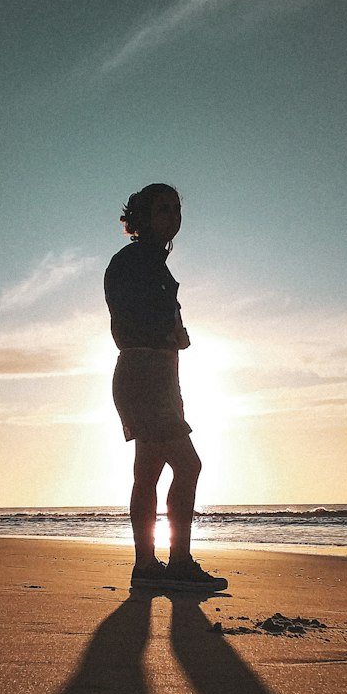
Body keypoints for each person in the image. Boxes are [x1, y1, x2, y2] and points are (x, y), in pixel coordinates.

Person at [105, 183, 227, 592]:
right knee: (188, 466)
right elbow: (127, 319)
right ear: (142, 216)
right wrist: (170, 333)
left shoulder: (156, 265)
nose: (173, 216)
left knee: (148, 472)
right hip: (143, 376)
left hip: (158, 379)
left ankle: (146, 566)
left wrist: (175, 332)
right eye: (163, 209)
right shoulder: (132, 262)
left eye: (177, 209)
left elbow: (160, 319)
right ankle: (176, 561)